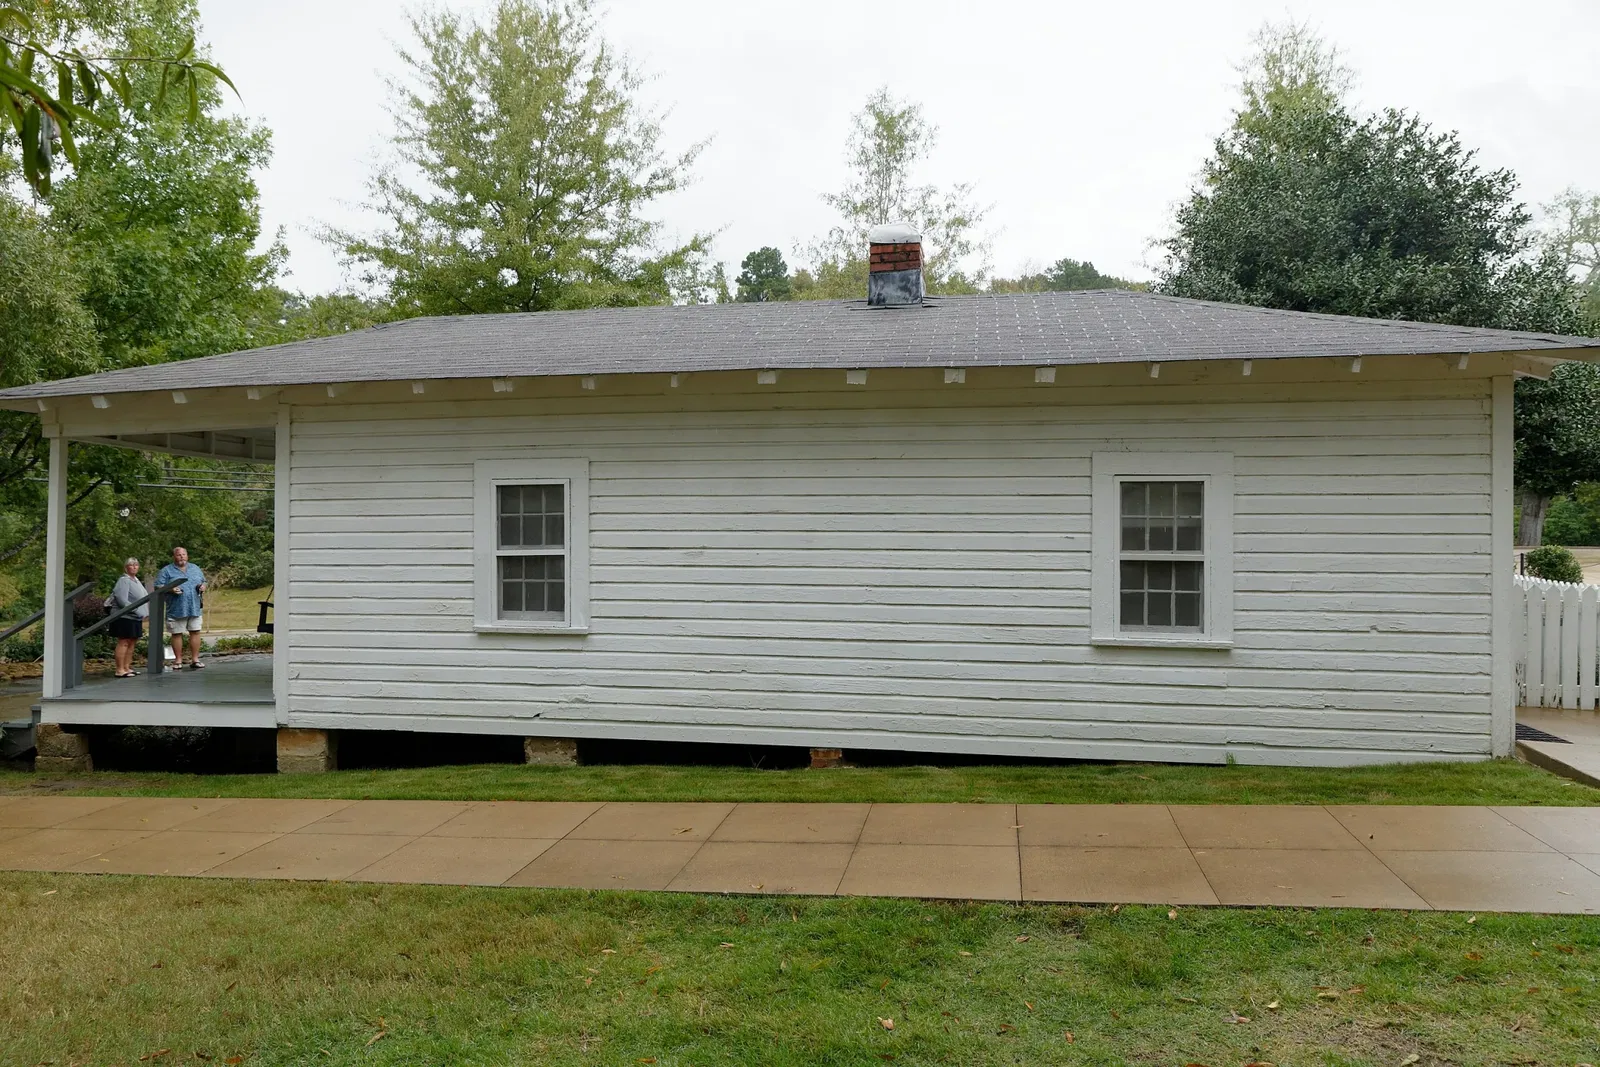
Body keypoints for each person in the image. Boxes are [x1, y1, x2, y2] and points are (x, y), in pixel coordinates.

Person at [155, 546, 207, 670]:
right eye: (179, 555)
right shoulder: (166, 571)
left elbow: (204, 581)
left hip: (194, 607)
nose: (182, 557)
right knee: (177, 633)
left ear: (187, 556)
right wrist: (171, 589)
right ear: (174, 557)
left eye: (184, 554)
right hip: (176, 608)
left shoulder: (195, 568)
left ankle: (195, 660)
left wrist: (203, 586)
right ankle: (178, 660)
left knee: (195, 631)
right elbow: (158, 586)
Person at [108, 557, 149, 678]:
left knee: (132, 642)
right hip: (125, 616)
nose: (134, 567)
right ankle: (120, 669)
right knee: (124, 642)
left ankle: (127, 667)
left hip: (136, 617)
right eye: (131, 565)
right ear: (126, 567)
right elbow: (122, 600)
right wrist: (136, 610)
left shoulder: (137, 581)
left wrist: (144, 612)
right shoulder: (124, 580)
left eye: (136, 565)